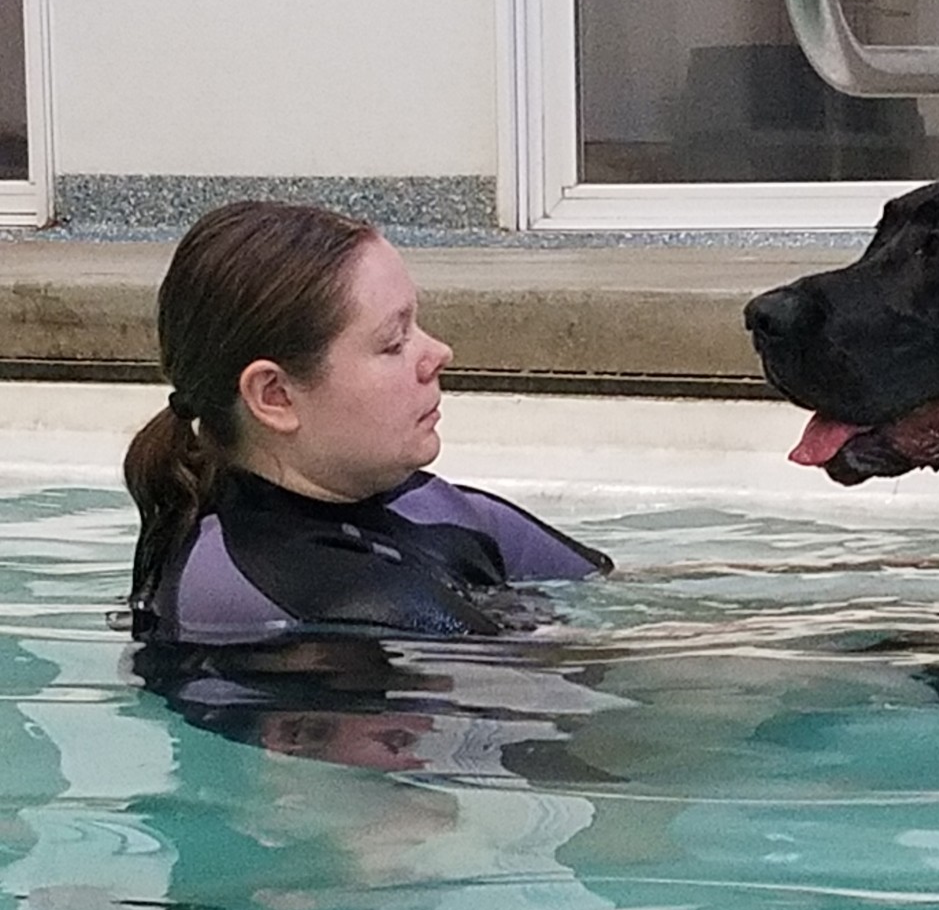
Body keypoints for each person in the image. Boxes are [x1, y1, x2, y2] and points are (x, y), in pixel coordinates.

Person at [124, 201, 610, 643]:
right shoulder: (294, 590)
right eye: (394, 342)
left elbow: (619, 590)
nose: (438, 354)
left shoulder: (422, 505)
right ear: (275, 396)